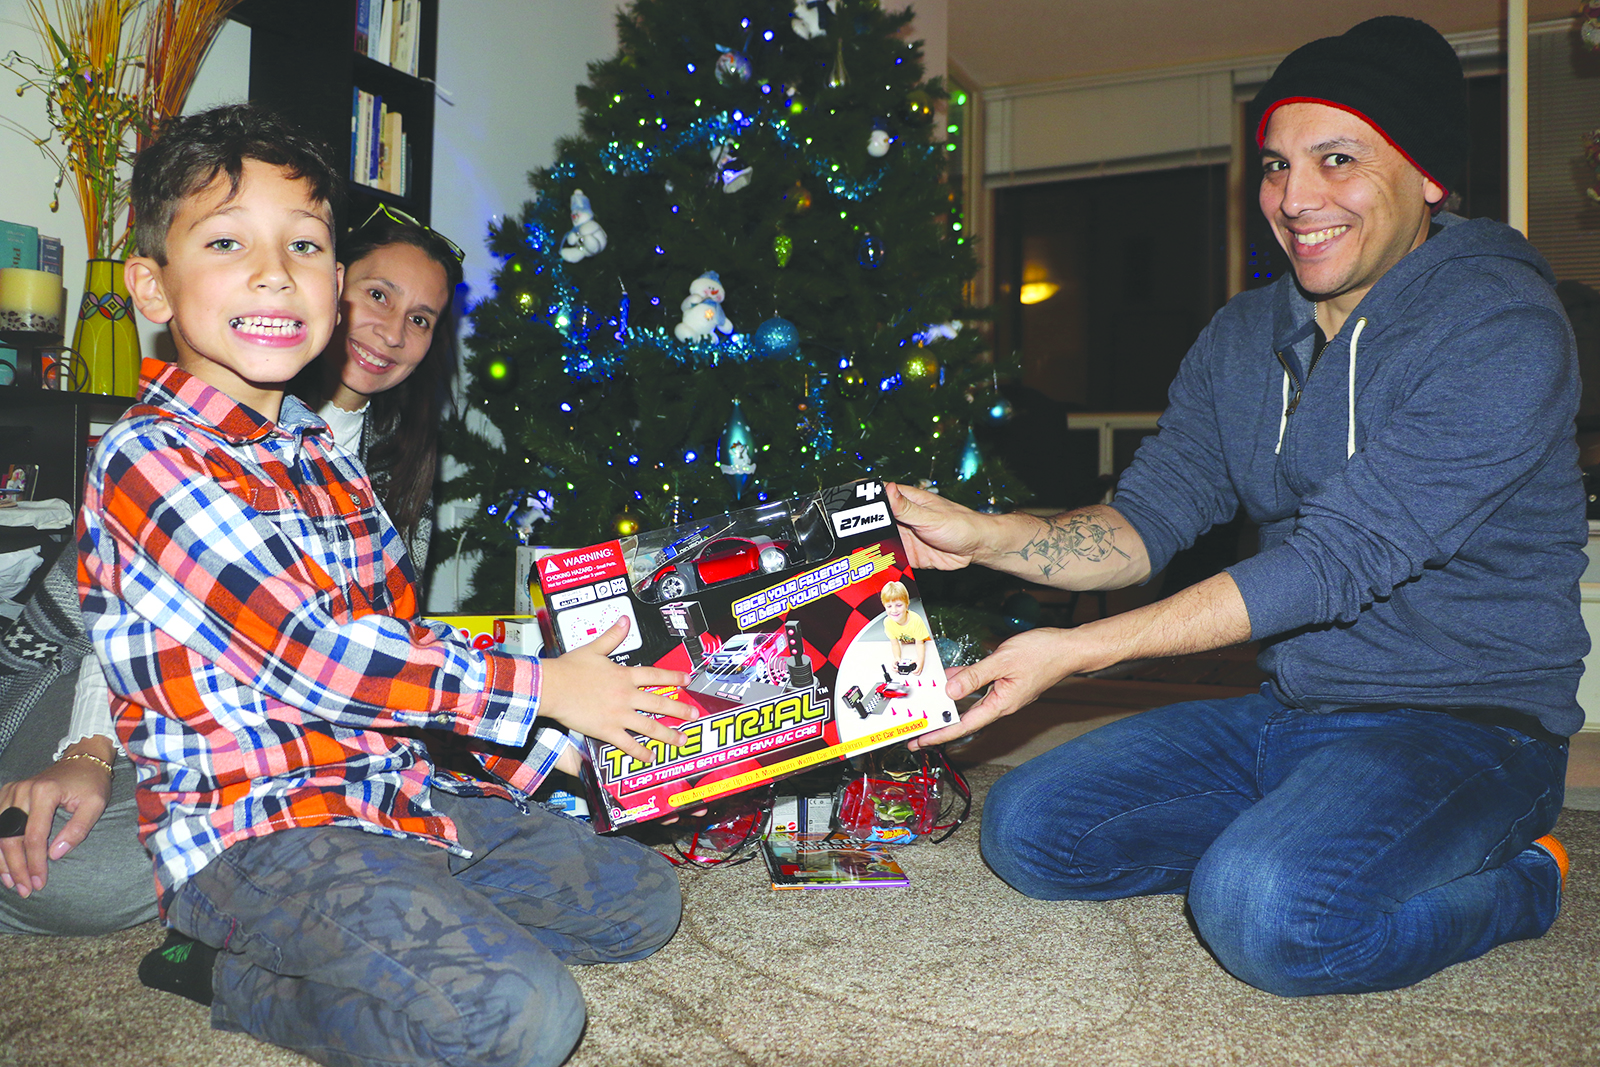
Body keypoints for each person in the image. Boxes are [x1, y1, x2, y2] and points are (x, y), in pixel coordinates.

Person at [890, 16, 1581, 997]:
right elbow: (1143, 525)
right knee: (1032, 829)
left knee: (1266, 913)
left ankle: (1521, 884)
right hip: (1289, 708)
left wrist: (1080, 649)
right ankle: (1308, 826)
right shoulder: (1242, 337)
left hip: (1468, 727)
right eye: (1273, 165)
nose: (1293, 200)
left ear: (1427, 176)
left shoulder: (1502, 329)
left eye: (1334, 160)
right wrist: (988, 534)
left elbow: (1332, 562)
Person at [77, 103, 693, 1067]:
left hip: (391, 792)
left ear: (331, 282)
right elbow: (315, 653)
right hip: (257, 837)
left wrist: (560, 758)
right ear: (152, 286)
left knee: (643, 902)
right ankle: (231, 973)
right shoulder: (149, 458)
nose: (276, 272)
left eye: (307, 246)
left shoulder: (324, 455)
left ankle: (410, 916)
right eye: (230, 241)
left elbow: (407, 657)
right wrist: (542, 688)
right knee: (526, 1017)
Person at [0, 194, 466, 940]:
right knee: (85, 873)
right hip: (88, 676)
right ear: (332, 286)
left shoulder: (395, 459)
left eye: (421, 318)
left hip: (255, 703)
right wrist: (86, 749)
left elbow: (365, 643)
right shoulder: (215, 408)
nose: (394, 331)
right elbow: (113, 623)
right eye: (377, 295)